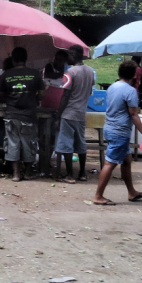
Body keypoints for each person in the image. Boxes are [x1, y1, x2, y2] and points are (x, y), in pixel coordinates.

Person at [93, 60, 142, 205]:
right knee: (110, 163)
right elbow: (133, 114)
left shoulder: (113, 87)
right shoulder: (130, 91)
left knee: (126, 161)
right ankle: (98, 196)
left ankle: (131, 192)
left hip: (110, 127)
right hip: (119, 131)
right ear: (134, 75)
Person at [0, 47, 47, 182]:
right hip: (29, 116)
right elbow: (42, 95)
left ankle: (16, 174)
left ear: (13, 59)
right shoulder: (35, 74)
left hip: (11, 115)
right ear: (26, 59)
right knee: (29, 144)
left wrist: (10, 99)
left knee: (13, 144)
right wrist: (32, 97)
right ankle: (28, 173)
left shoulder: (7, 74)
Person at [55, 44, 95, 183]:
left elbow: (65, 95)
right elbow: (89, 91)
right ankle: (82, 173)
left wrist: (59, 113)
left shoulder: (70, 73)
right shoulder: (90, 71)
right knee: (80, 143)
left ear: (72, 55)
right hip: (81, 113)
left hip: (69, 113)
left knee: (66, 145)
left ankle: (70, 175)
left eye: (69, 55)